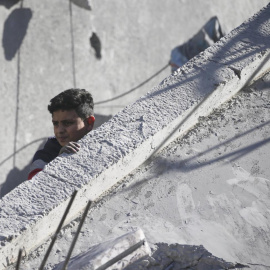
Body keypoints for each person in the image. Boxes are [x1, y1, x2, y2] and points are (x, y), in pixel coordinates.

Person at [28, 88, 95, 180]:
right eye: (55, 124)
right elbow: (35, 187)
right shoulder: (44, 157)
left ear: (89, 123)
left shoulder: (101, 145)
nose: (59, 130)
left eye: (67, 123)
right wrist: (60, 161)